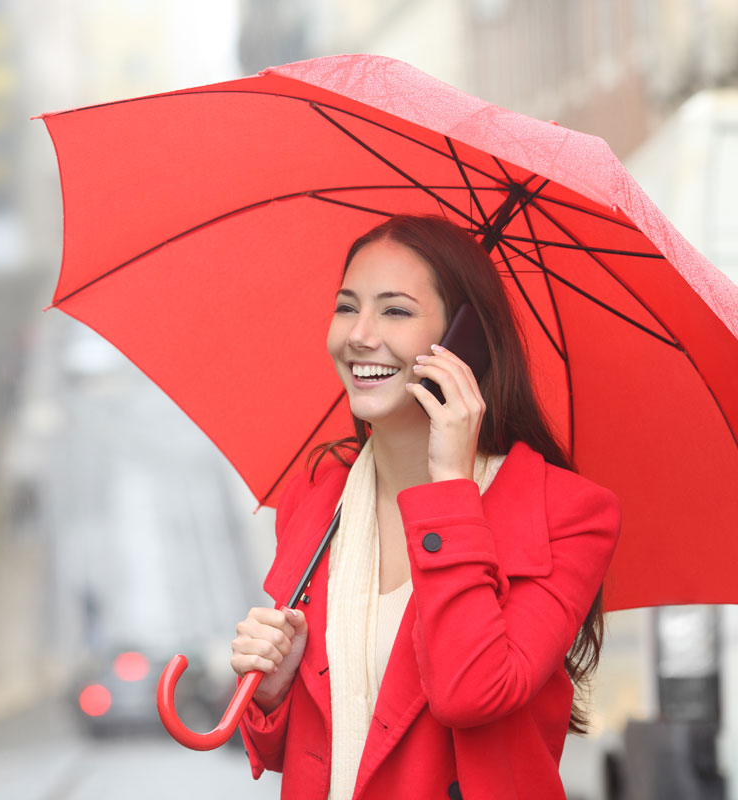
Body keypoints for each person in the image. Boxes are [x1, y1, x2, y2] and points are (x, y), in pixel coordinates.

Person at [231, 215, 621, 800]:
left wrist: (447, 492)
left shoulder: (566, 515)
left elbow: (471, 692)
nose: (359, 335)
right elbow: (313, 751)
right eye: (346, 306)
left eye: (395, 311)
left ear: (464, 340)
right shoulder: (317, 504)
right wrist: (272, 692)